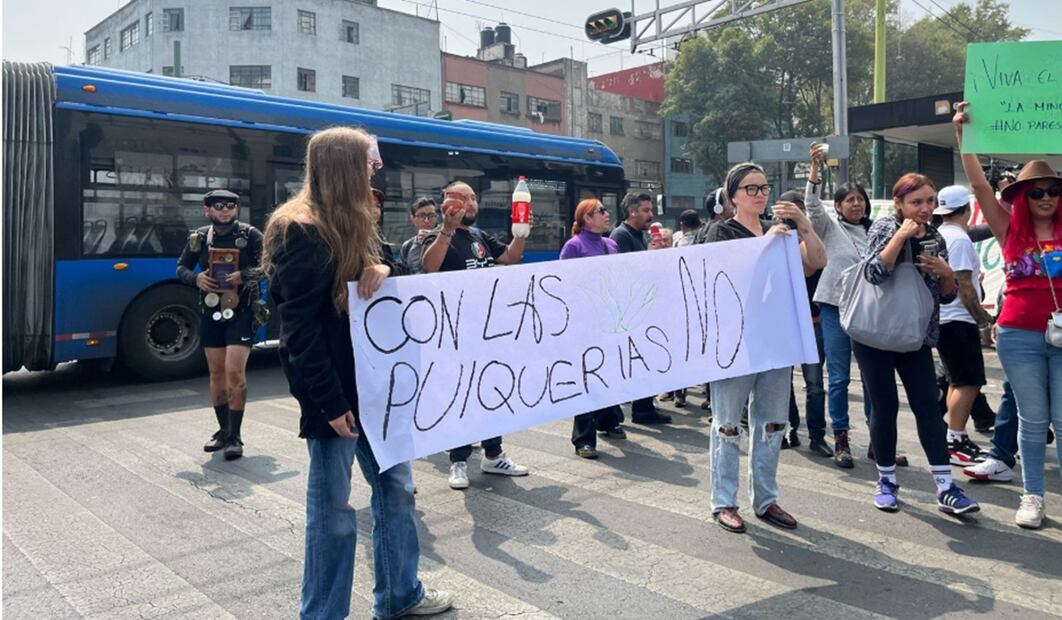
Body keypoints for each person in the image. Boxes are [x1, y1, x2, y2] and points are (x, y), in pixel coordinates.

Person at [262, 126, 452, 619]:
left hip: (377, 391)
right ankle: (323, 613)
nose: (376, 169)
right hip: (338, 400)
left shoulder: (357, 221)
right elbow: (298, 332)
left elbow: (399, 274)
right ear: (345, 166)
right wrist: (327, 404)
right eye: (370, 163)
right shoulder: (298, 228)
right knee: (333, 511)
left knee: (397, 492)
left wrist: (387, 271)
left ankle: (400, 595)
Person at [698, 162, 827, 534]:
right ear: (733, 195)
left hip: (776, 339)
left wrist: (803, 224)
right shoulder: (720, 231)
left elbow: (817, 262)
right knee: (726, 423)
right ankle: (723, 501)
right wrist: (766, 243)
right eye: (751, 188)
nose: (759, 194)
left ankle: (766, 499)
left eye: (764, 187)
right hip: (734, 343)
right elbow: (720, 280)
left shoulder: (783, 233)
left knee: (772, 423)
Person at [955, 101, 1062, 529]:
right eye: (1035, 191)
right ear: (1021, 196)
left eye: (1053, 190)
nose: (1045, 198)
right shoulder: (1006, 227)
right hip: (1019, 334)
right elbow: (979, 185)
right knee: (1033, 420)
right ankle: (1032, 496)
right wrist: (964, 134)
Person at [854, 172, 980, 516]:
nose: (925, 209)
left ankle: (945, 487)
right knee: (885, 407)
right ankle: (887, 481)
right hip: (875, 334)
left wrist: (945, 273)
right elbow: (873, 274)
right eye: (916, 202)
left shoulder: (937, 237)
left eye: (929, 201)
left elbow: (948, 295)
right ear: (899, 204)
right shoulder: (883, 227)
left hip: (916, 337)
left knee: (927, 405)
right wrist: (900, 237)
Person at [409, 180, 531, 490]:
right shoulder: (435, 237)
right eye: (465, 198)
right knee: (461, 395)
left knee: (492, 391)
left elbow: (511, 257)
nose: (472, 204)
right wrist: (447, 230)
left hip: (487, 332)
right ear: (448, 202)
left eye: (474, 199)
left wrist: (521, 232)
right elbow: (429, 269)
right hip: (454, 334)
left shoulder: (479, 236)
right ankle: (458, 460)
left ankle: (493, 454)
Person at [803, 144, 894, 468]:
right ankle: (841, 438)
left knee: (874, 378)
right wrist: (815, 168)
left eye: (860, 199)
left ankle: (878, 439)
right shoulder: (829, 227)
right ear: (838, 206)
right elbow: (811, 205)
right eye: (849, 199)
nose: (856, 203)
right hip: (835, 309)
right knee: (839, 377)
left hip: (870, 313)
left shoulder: (879, 231)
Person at [176, 189, 264, 461]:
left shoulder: (250, 235)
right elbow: (181, 268)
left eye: (230, 206)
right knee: (216, 372)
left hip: (243, 311)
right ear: (207, 210)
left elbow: (270, 266)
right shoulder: (199, 238)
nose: (225, 210)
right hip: (211, 310)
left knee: (234, 371)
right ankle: (223, 430)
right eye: (219, 206)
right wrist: (197, 279)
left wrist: (245, 274)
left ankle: (236, 436)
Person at [932, 185, 994, 467]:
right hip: (958, 318)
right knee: (967, 382)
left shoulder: (941, 234)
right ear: (966, 209)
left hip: (947, 319)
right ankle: (954, 438)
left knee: (956, 380)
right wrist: (983, 320)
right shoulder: (958, 239)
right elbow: (964, 286)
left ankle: (951, 435)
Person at [560, 199, 626, 458]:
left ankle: (609, 420)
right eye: (601, 211)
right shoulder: (574, 245)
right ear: (587, 218)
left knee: (610, 371)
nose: (607, 214)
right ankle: (584, 438)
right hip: (584, 321)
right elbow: (564, 283)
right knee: (587, 377)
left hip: (609, 319)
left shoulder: (611, 244)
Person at [610, 192, 672, 424]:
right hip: (630, 309)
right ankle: (630, 410)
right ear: (632, 211)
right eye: (645, 210)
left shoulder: (640, 235)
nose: (650, 215)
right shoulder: (621, 235)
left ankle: (644, 406)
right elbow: (625, 271)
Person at [776, 189, 829, 456]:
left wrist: (803, 226)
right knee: (784, 383)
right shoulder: (773, 236)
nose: (793, 214)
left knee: (815, 384)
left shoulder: (812, 236)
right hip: (784, 323)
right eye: (788, 210)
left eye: (798, 209)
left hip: (814, 322)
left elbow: (813, 264)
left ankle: (818, 435)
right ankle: (790, 428)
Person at [400, 196, 438, 266]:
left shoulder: (443, 241)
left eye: (431, 215)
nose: (426, 220)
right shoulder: (407, 246)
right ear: (413, 218)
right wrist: (417, 245)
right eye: (422, 216)